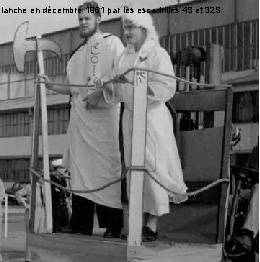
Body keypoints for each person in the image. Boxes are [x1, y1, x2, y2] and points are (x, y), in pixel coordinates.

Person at [93, 12, 187, 241]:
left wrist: (135, 83)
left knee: (152, 167)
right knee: (133, 168)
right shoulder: (124, 56)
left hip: (152, 118)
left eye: (131, 27)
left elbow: (166, 87)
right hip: (131, 117)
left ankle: (152, 225)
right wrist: (105, 84)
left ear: (144, 28)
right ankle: (137, 223)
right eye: (125, 27)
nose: (127, 32)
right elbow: (116, 93)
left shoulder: (158, 54)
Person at [39, 0, 124, 237]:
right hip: (80, 121)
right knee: (79, 171)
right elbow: (73, 88)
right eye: (80, 19)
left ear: (98, 19)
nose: (83, 23)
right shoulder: (76, 56)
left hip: (105, 120)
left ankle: (113, 225)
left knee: (107, 170)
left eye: (87, 18)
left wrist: (100, 92)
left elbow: (121, 75)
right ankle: (81, 225)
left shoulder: (112, 43)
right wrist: (50, 85)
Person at [15, 181, 47, 262]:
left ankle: (38, 256)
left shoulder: (46, 186)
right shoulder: (30, 186)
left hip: (42, 210)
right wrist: (25, 204)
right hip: (33, 210)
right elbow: (18, 194)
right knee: (30, 234)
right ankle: (28, 258)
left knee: (40, 234)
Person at [50, 159, 70, 233]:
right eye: (62, 168)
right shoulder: (51, 177)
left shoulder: (62, 178)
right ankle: (56, 227)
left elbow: (64, 188)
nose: (64, 170)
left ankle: (64, 226)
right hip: (55, 200)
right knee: (56, 213)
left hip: (62, 199)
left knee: (64, 213)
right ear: (57, 169)